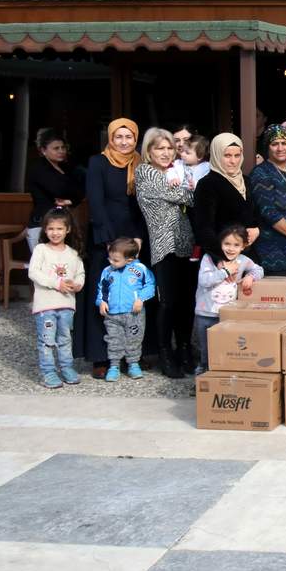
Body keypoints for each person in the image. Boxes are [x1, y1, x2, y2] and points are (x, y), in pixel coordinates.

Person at [78, 118, 144, 379]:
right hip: (105, 237)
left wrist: (139, 237)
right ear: (111, 138)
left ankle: (133, 354)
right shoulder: (99, 162)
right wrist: (108, 240)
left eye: (129, 137)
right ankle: (100, 356)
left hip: (134, 237)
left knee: (133, 296)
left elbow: (143, 203)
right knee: (103, 296)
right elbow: (95, 200)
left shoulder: (141, 163)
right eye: (119, 137)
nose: (124, 142)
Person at [135, 128, 196, 378]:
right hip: (163, 245)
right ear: (149, 151)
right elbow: (187, 194)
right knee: (167, 302)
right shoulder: (145, 172)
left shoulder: (176, 171)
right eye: (160, 148)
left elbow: (192, 192)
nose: (166, 152)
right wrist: (188, 191)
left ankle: (184, 349)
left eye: (170, 148)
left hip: (186, 243)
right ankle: (164, 352)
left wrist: (188, 189)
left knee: (186, 302)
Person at [192, 224, 264, 374]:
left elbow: (259, 269)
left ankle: (222, 376)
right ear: (220, 244)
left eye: (236, 245)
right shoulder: (209, 259)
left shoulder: (243, 260)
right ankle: (202, 377)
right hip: (205, 314)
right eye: (227, 244)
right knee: (205, 350)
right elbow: (204, 280)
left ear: (243, 246)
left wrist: (250, 276)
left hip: (227, 315)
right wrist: (225, 271)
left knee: (225, 347)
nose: (231, 248)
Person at [28, 208, 85, 388]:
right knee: (47, 340)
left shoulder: (73, 253)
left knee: (65, 338)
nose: (55, 233)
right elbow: (33, 272)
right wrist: (56, 284)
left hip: (67, 304)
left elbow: (80, 274)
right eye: (51, 228)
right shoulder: (41, 250)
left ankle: (67, 367)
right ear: (45, 230)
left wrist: (77, 284)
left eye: (59, 229)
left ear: (68, 230)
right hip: (45, 306)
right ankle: (48, 372)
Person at [96, 236, 155, 382]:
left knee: (134, 339)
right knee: (114, 340)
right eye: (110, 258)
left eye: (115, 260)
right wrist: (101, 302)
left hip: (133, 314)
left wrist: (140, 299)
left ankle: (133, 364)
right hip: (113, 314)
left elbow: (150, 285)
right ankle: (114, 366)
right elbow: (101, 288)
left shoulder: (140, 269)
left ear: (129, 259)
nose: (111, 262)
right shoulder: (107, 271)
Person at [192, 133, 259, 260]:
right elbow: (204, 229)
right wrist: (223, 259)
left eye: (237, 155)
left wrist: (257, 229)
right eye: (227, 155)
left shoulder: (246, 181)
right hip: (220, 260)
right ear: (216, 155)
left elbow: (254, 215)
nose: (233, 161)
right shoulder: (207, 184)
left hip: (247, 258)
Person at [248, 125, 286, 276]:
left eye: (284, 143)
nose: (280, 148)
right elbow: (268, 212)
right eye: (274, 144)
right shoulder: (261, 173)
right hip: (273, 252)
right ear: (267, 147)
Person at [26, 127, 85, 252]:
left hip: (63, 223)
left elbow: (82, 189)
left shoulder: (66, 168)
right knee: (46, 266)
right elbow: (59, 190)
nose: (61, 151)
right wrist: (72, 192)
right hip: (42, 223)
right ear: (43, 150)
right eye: (56, 148)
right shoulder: (38, 169)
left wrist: (70, 201)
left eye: (63, 148)